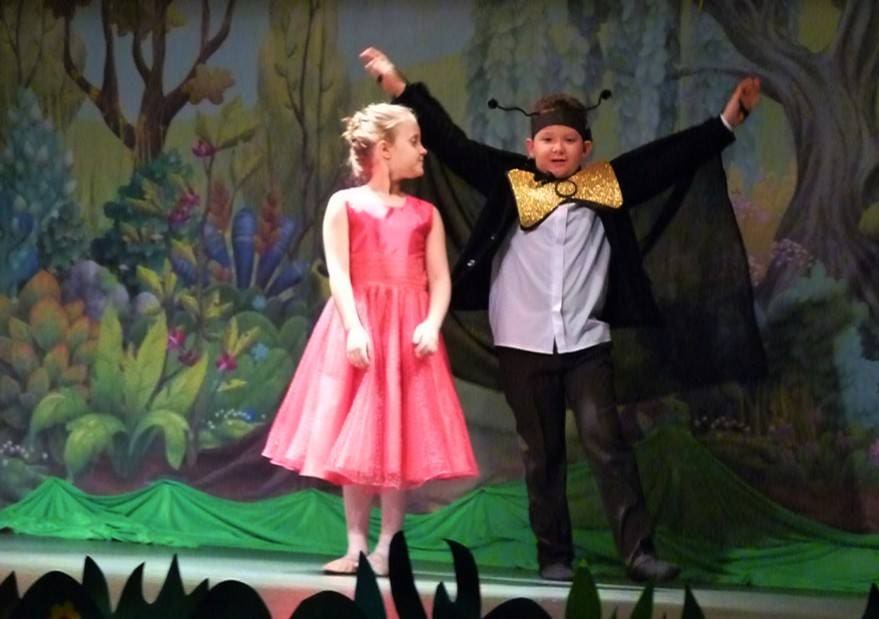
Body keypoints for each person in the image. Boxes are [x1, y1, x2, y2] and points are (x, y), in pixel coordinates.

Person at [360, 46, 761, 583]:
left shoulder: (607, 184)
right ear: (531, 146)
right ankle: (554, 556)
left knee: (606, 442)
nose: (557, 148)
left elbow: (668, 159)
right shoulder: (511, 181)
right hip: (521, 341)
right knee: (541, 453)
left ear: (585, 148)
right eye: (547, 139)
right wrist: (398, 86)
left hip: (586, 342)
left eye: (569, 140)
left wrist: (728, 120)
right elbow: (452, 144)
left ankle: (639, 552)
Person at [262, 102, 479, 577]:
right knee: (357, 440)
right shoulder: (345, 205)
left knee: (396, 438)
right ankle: (356, 545)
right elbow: (339, 272)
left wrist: (431, 322)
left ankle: (389, 547)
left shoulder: (425, 214)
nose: (423, 151)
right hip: (360, 328)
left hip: (407, 332)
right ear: (384, 149)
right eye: (414, 142)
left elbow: (440, 279)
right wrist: (355, 326)